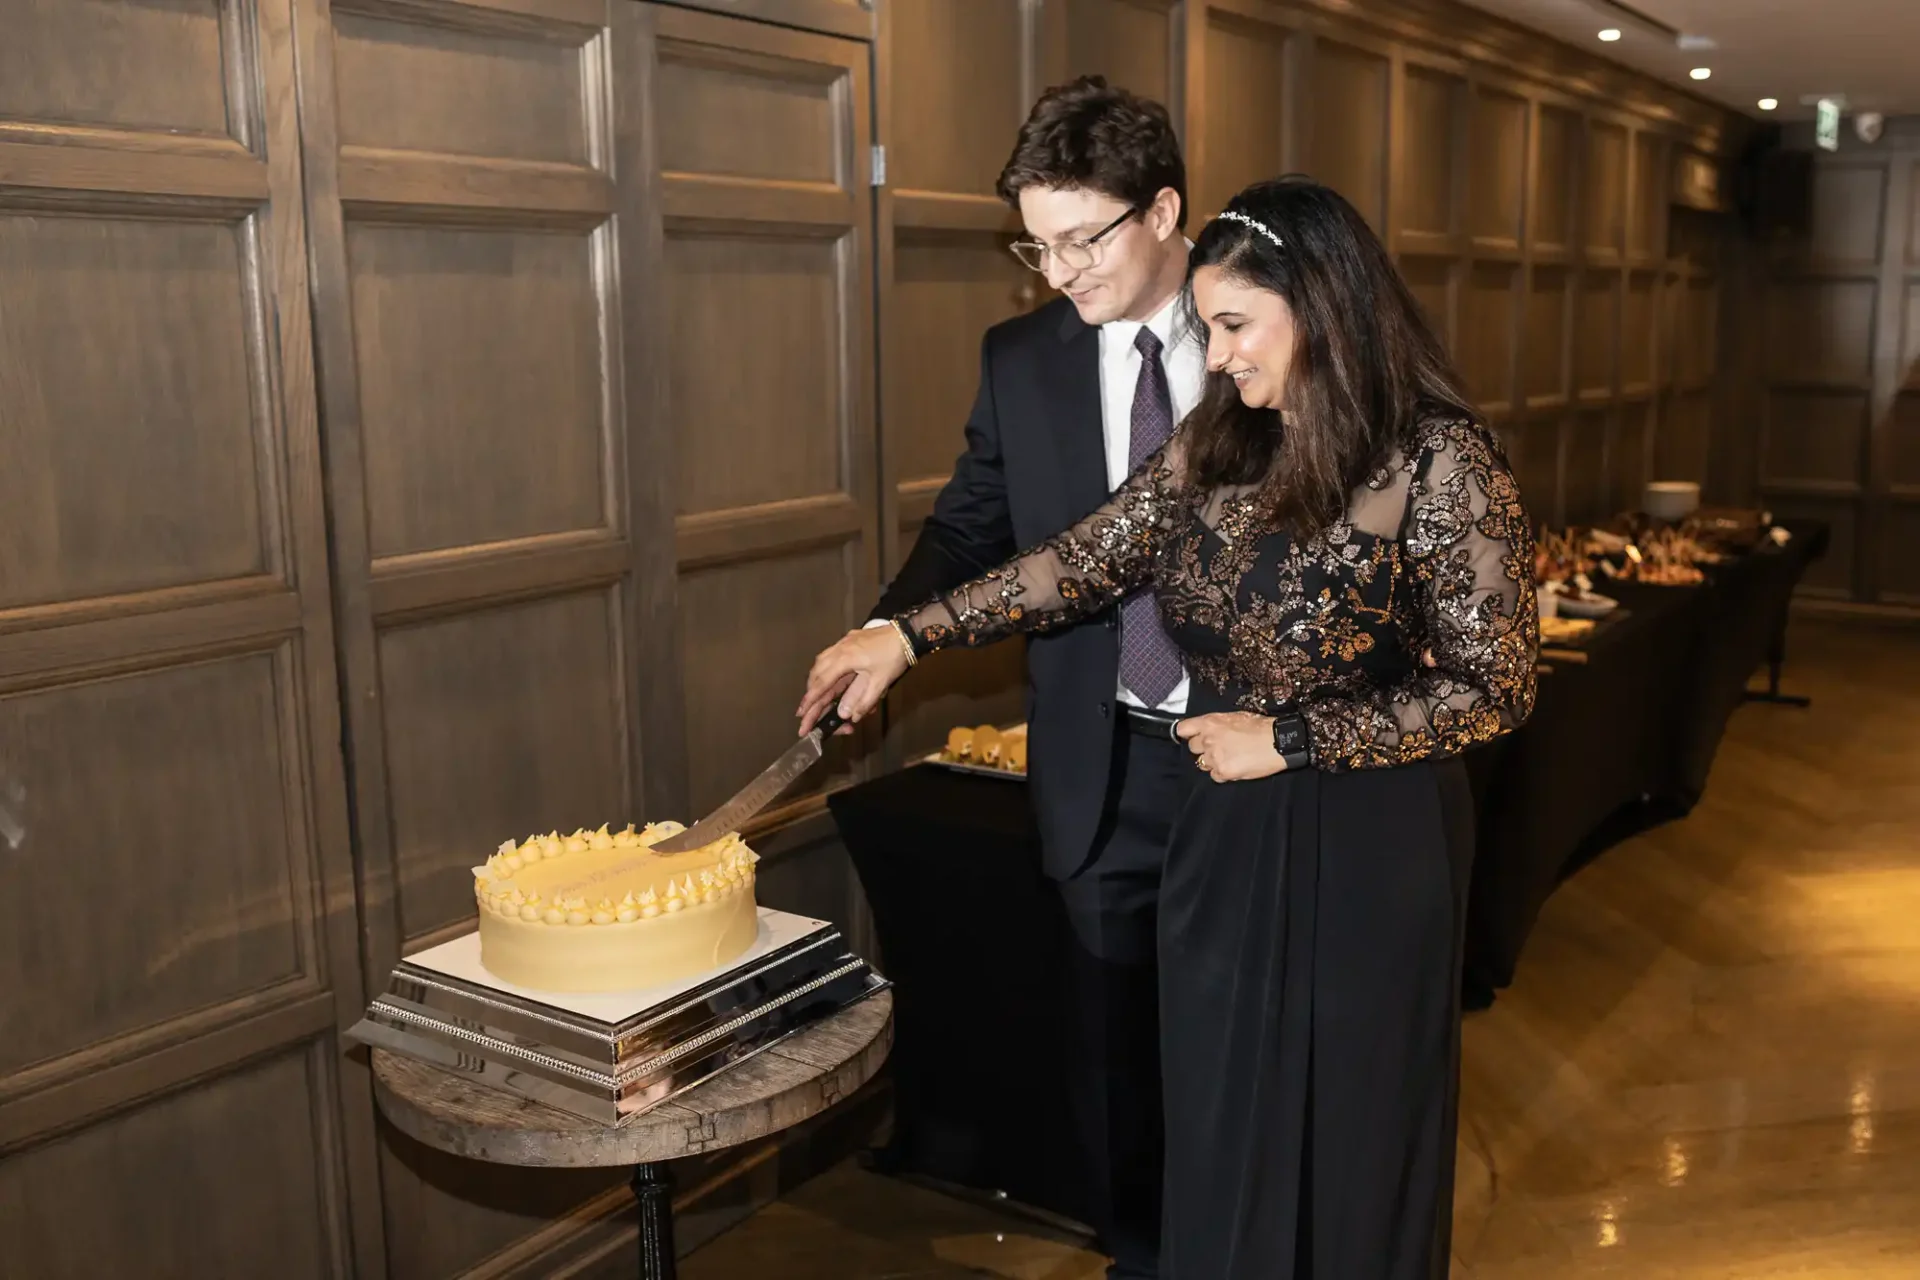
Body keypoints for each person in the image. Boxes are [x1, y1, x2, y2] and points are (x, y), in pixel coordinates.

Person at [802, 176, 1540, 1278]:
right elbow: (1081, 560)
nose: (1223, 355)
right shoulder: (1221, 441)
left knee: (1346, 1130)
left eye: (1238, 326)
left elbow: (1497, 685)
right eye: (1210, 328)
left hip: (1371, 849)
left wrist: (1287, 741)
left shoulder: (1443, 461)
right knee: (1220, 1122)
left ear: (1325, 307)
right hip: (1225, 836)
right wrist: (906, 636)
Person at [861, 76, 1198, 1278]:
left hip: (1252, 764)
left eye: (1081, 239)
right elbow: (971, 529)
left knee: (1245, 1041)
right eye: (1037, 244)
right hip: (1099, 766)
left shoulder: (1269, 327)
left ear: (1162, 210)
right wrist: (884, 632)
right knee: (1115, 1066)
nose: (1056, 272)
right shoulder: (1023, 358)